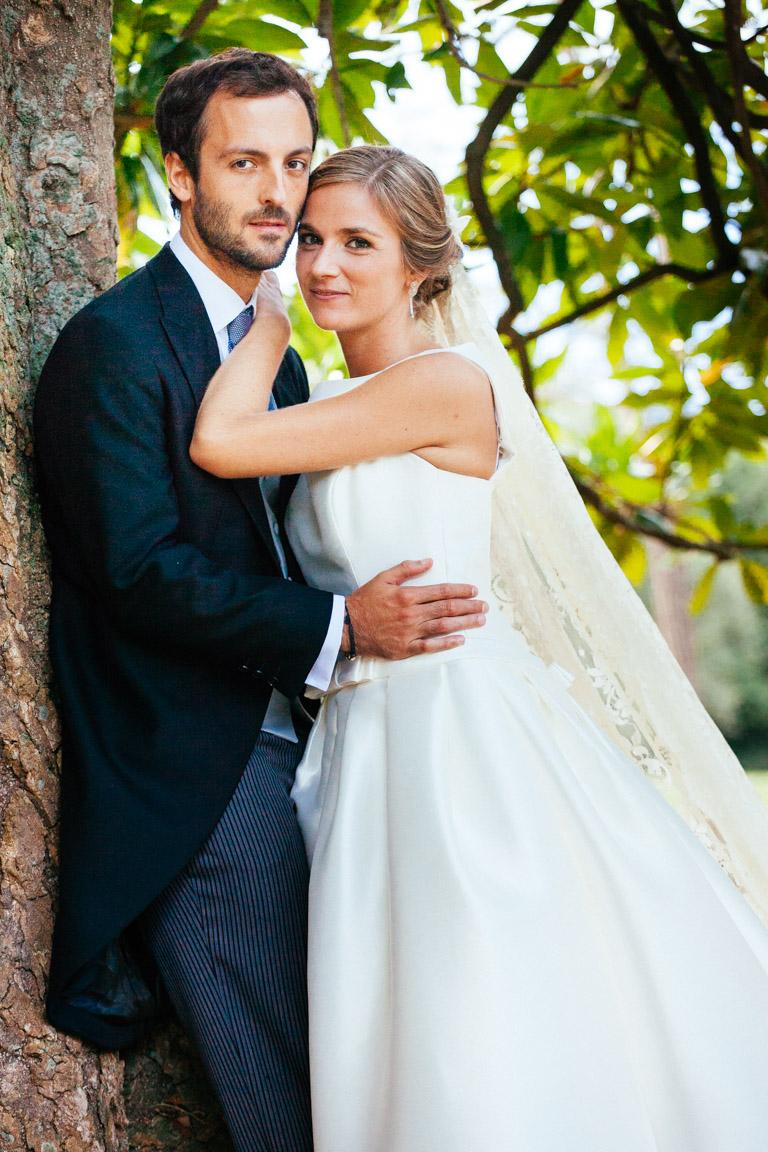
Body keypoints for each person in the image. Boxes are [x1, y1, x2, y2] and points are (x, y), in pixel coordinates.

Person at [192, 144, 768, 1152]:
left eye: (356, 243)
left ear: (420, 267)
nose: (324, 263)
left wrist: (265, 312)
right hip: (365, 741)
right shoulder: (334, 405)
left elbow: (222, 443)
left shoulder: (447, 383)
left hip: (454, 742)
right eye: (313, 239)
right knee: (392, 1018)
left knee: (475, 1007)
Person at [32, 57, 487, 1151]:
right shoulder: (119, 344)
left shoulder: (283, 364)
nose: (278, 193)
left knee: (380, 1068)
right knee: (292, 1098)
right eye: (244, 163)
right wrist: (340, 631)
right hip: (199, 783)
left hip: (329, 764)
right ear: (179, 175)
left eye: (293, 162)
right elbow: (136, 566)